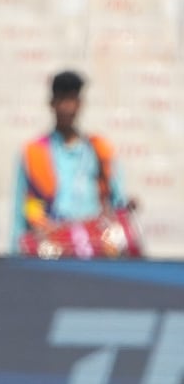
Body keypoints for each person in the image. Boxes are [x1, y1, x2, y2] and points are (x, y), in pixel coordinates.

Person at [11, 70, 138, 252]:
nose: (66, 107)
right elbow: (22, 210)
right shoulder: (34, 152)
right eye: (62, 100)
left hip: (95, 245)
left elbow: (117, 201)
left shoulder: (99, 149)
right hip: (52, 246)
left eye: (72, 100)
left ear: (80, 104)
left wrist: (127, 205)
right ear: (52, 104)